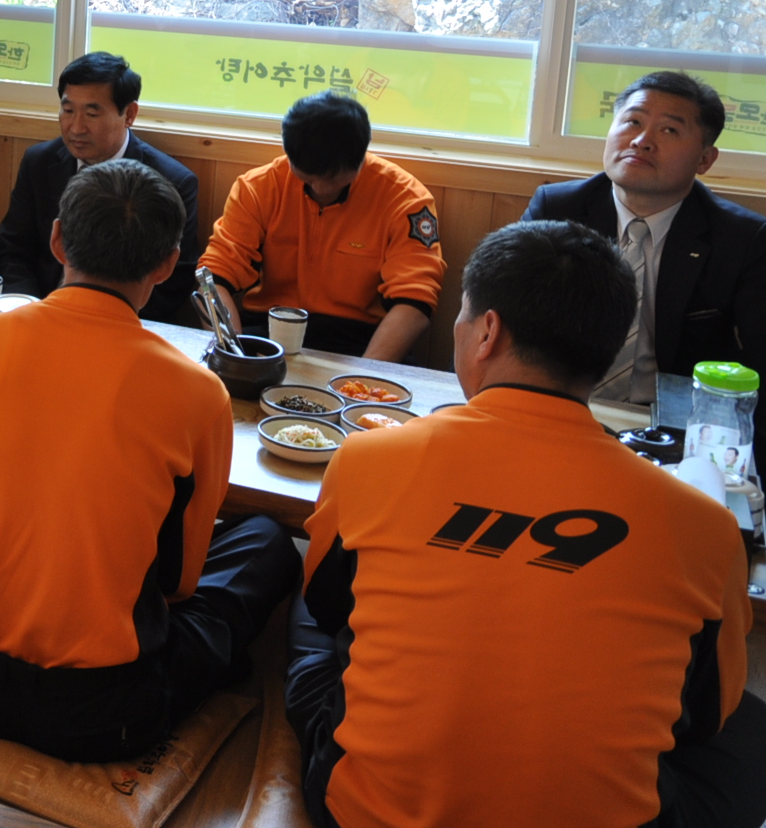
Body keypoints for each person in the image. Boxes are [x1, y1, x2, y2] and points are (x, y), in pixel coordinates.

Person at [287, 220, 766, 828]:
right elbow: (706, 712)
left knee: (309, 614)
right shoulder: (705, 526)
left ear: (487, 332)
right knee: (747, 736)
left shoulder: (369, 459)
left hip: (364, 814)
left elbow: (330, 606)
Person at [0, 158, 301, 762]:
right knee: (266, 544)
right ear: (168, 264)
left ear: (57, 239)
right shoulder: (198, 393)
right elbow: (179, 585)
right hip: (98, 711)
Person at [523, 71, 766, 433]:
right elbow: (495, 316)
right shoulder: (557, 209)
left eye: (669, 130)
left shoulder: (741, 239)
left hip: (673, 427)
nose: (641, 141)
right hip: (559, 410)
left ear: (705, 159)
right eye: (632, 122)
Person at [199, 91, 442, 361]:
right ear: (288, 154)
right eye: (309, 178)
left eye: (336, 179)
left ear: (362, 156)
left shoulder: (405, 199)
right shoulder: (258, 188)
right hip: (270, 327)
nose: (323, 190)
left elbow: (415, 301)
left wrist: (365, 376)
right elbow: (212, 279)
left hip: (360, 339)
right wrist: (231, 354)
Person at [0, 51, 202, 324]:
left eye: (92, 114)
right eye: (68, 111)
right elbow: (12, 253)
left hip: (122, 326)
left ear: (129, 114)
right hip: (38, 315)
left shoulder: (172, 182)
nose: (76, 128)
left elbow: (172, 283)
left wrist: (95, 322)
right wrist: (32, 312)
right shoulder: (39, 162)